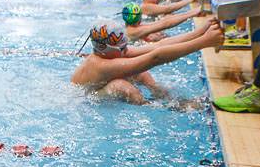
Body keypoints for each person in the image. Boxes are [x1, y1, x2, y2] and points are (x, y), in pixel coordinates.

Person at [72, 18, 222, 104]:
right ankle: (154, 107)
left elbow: (158, 46)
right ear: (104, 48)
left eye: (125, 46)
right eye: (121, 48)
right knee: (121, 86)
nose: (125, 50)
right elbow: (155, 58)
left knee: (140, 73)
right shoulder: (101, 65)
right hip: (84, 99)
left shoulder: (110, 53)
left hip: (98, 89)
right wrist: (204, 42)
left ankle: (166, 98)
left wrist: (200, 32)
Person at [122, 1, 203, 42]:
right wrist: (191, 13)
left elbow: (161, 23)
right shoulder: (134, 31)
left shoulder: (131, 29)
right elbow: (165, 24)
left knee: (157, 35)